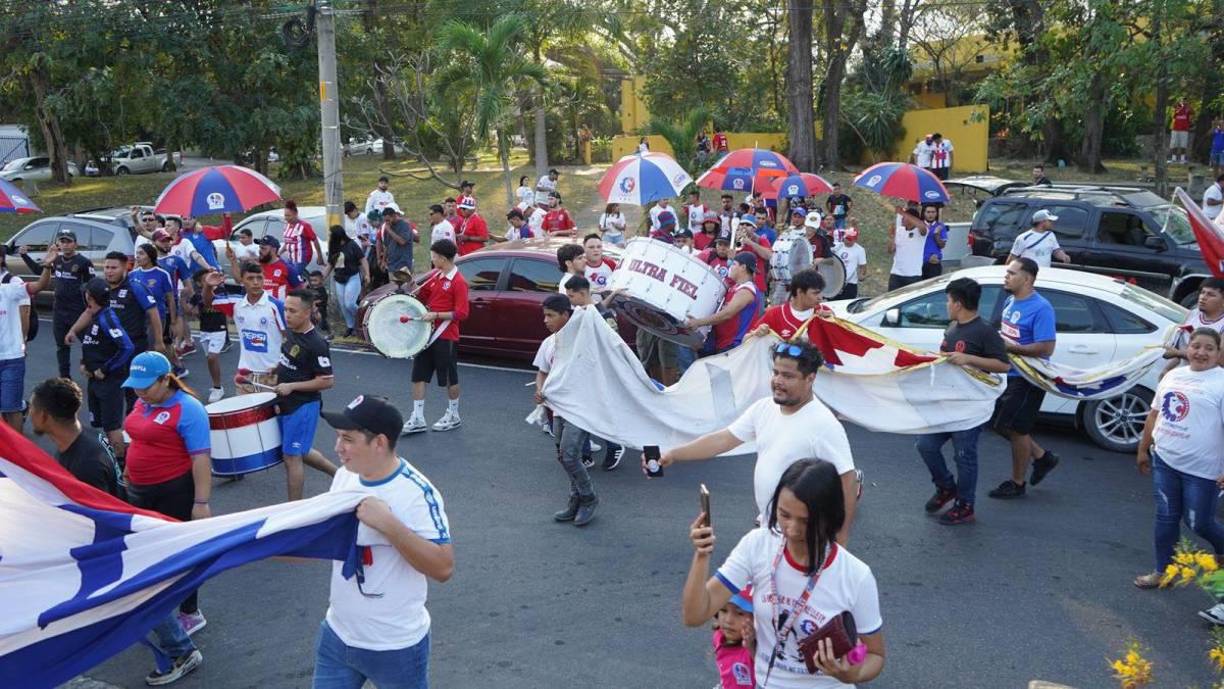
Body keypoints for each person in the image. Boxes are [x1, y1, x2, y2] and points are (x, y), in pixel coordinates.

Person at [30, 377, 201, 685]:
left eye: (32, 408)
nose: (28, 413)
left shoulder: (85, 463)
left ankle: (181, 650)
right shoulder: (83, 442)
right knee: (137, 597)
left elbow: (99, 516)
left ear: (44, 416)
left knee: (136, 597)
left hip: (111, 544)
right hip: (115, 539)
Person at [681, 459, 885, 688]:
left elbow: (875, 655)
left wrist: (852, 674)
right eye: (784, 515)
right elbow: (694, 615)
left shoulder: (856, 576)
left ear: (830, 518)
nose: (793, 529)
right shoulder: (757, 546)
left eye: (806, 521)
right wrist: (702, 555)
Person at [314, 394, 453, 689]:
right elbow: (326, 540)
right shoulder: (344, 477)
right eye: (338, 437)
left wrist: (389, 525)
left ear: (379, 442)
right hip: (337, 635)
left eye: (347, 439)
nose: (337, 447)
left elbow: (443, 567)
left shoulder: (417, 493)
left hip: (395, 647)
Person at [649, 341, 858, 537]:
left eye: (788, 376)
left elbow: (848, 483)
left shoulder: (824, 424)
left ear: (810, 378)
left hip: (804, 537)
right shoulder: (764, 408)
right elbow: (722, 440)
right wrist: (673, 454)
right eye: (775, 372)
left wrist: (840, 542)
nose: (778, 381)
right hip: (769, 529)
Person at [122, 351, 212, 636]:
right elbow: (138, 438)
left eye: (146, 386)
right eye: (135, 386)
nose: (139, 392)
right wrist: (128, 469)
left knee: (181, 553)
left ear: (165, 380)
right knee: (148, 550)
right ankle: (157, 607)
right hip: (139, 490)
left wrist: (201, 502)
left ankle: (190, 612)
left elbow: (201, 458)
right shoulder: (143, 402)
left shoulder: (189, 408)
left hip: (174, 491)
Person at [1134, 328, 1224, 597]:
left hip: (1203, 470)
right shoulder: (1173, 375)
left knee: (1199, 523)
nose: (1201, 352)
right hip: (1165, 461)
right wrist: (1143, 449)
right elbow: (1154, 415)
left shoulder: (1221, 383)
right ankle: (1163, 571)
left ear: (1218, 353)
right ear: (1188, 349)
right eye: (1196, 346)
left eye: (1209, 348)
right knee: (1166, 517)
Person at [915, 278, 1012, 525]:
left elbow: (1003, 365)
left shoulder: (985, 331)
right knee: (925, 445)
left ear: (958, 303)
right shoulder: (952, 327)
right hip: (947, 404)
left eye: (948, 300)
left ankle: (965, 505)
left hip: (971, 408)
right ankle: (946, 487)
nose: (946, 305)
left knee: (964, 456)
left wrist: (968, 358)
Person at [988, 258, 1061, 499]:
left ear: (1027, 278)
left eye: (1012, 273)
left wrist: (1010, 348)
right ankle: (1042, 457)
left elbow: (1046, 348)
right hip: (1009, 374)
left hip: (1028, 378)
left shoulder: (1042, 308)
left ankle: (1017, 483)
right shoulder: (1010, 301)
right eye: (1007, 272)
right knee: (1002, 425)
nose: (1006, 276)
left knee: (1014, 428)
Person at [534, 295, 600, 525]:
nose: (545, 320)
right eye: (544, 315)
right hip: (558, 408)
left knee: (570, 456)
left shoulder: (584, 341)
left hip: (581, 408)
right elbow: (542, 372)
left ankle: (589, 498)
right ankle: (576, 499)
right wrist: (540, 390)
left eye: (550, 315)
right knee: (564, 457)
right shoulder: (548, 343)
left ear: (565, 315)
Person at [272, 289, 340, 501]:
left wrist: (291, 386)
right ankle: (341, 475)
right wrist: (274, 370)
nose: (287, 315)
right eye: (286, 310)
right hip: (285, 402)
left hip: (302, 406)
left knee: (291, 456)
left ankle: (294, 509)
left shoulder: (317, 344)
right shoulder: (292, 332)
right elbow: (291, 362)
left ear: (308, 312)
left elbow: (327, 381)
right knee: (301, 450)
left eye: (292, 311)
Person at [403, 240, 469, 434]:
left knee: (449, 378)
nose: (432, 259)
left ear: (442, 258)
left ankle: (454, 414)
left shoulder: (459, 282)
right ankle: (418, 417)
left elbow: (462, 313)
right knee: (418, 375)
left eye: (433, 256)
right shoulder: (436, 276)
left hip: (446, 335)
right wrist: (410, 283)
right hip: (427, 335)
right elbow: (423, 296)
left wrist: (436, 315)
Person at [563, 277, 626, 471]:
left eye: (571, 296)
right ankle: (585, 454)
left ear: (582, 293)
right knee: (583, 412)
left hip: (600, 373)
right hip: (584, 372)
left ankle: (614, 446)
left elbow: (612, 346)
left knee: (600, 411)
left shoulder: (602, 316)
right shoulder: (585, 312)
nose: (570, 300)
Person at [19, 228, 95, 378]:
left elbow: (91, 285)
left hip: (78, 311)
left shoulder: (83, 262)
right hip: (60, 311)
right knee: (61, 347)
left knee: (88, 343)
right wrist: (24, 255)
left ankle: (91, 370)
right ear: (58, 244)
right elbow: (38, 271)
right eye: (62, 241)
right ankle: (65, 378)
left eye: (69, 242)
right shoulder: (56, 260)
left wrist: (91, 307)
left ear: (75, 244)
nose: (65, 245)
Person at [78, 278, 135, 463]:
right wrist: (85, 363)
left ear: (89, 297)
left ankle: (121, 463)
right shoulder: (95, 315)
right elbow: (94, 345)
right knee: (102, 423)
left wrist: (105, 369)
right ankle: (113, 458)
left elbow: (127, 347)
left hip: (109, 382)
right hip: (94, 380)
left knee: (112, 426)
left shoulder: (107, 318)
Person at [687, 253, 761, 355]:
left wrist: (698, 322)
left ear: (743, 267)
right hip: (723, 344)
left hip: (734, 347)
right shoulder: (735, 287)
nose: (730, 267)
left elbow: (727, 314)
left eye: (734, 264)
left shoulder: (746, 290)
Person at [233, 261, 287, 394]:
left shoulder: (276, 306)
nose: (256, 282)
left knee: (272, 408)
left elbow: (291, 338)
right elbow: (209, 302)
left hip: (271, 374)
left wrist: (281, 365)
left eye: (259, 278)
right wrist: (208, 286)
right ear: (242, 280)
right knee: (244, 408)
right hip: (245, 374)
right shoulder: (237, 305)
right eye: (250, 278)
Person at [132, 244, 185, 377]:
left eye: (141, 253)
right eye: (137, 253)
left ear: (150, 256)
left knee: (154, 347)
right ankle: (174, 367)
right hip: (138, 318)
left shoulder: (162, 274)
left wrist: (173, 322)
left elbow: (170, 299)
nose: (138, 256)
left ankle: (159, 375)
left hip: (157, 317)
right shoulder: (132, 275)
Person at [1163, 279, 1224, 376]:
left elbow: (1219, 359)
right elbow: (1181, 345)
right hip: (1183, 374)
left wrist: (1178, 353)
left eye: (1210, 295)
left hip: (1208, 378)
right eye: (1202, 292)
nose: (1203, 297)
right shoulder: (1193, 314)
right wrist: (1167, 369)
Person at [750, 269, 826, 341]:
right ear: (799, 292)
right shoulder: (774, 314)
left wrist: (830, 322)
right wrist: (757, 333)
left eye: (820, 292)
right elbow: (747, 339)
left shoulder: (825, 313)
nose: (820, 297)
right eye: (815, 293)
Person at [323, 226, 368, 338]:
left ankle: (364, 318)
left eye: (332, 234)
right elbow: (330, 264)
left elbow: (362, 259)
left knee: (350, 303)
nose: (330, 236)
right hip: (339, 278)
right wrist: (322, 277)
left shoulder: (352, 245)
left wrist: (367, 274)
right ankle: (350, 326)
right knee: (343, 305)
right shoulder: (333, 246)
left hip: (352, 276)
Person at [228, 235, 303, 302]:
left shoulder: (286, 268)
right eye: (260, 248)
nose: (260, 251)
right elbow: (239, 280)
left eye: (263, 248)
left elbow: (300, 290)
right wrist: (233, 260)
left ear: (273, 250)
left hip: (276, 310)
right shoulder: (255, 265)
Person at [0, 269, 30, 431]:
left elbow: (25, 312)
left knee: (11, 408)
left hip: (11, 355)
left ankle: (16, 445)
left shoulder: (13, 282)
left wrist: (23, 342)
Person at [195, 270, 231, 403]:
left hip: (219, 329)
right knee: (210, 360)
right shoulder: (198, 295)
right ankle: (217, 384)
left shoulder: (221, 292)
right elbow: (191, 311)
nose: (210, 281)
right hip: (204, 330)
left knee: (212, 357)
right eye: (205, 280)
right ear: (199, 283)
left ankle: (217, 388)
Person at [711, 587, 756, 689]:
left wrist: (751, 647)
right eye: (723, 610)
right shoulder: (718, 636)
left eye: (740, 613)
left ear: (756, 618)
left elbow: (765, 668)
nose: (728, 620)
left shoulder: (757, 647)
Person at [1006, 209, 1071, 267]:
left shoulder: (1050, 235)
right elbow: (1012, 257)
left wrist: (1063, 256)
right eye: (1050, 221)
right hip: (1030, 273)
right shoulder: (1023, 238)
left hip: (1045, 272)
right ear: (1042, 222)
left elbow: (1056, 250)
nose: (1052, 223)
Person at [887, 207, 926, 291]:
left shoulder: (920, 232)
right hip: (896, 274)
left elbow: (922, 227)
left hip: (913, 276)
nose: (902, 219)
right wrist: (892, 237)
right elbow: (890, 250)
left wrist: (902, 212)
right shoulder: (899, 230)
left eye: (904, 217)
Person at [280, 201, 323, 274]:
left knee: (293, 275)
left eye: (289, 216)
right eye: (285, 215)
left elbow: (315, 240)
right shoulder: (287, 226)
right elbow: (288, 242)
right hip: (291, 258)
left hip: (301, 258)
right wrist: (279, 253)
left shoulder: (304, 226)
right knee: (287, 275)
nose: (286, 218)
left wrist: (319, 256)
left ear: (296, 214)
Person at [379, 204, 417, 274]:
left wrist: (389, 230)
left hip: (403, 265)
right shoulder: (387, 226)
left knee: (404, 281)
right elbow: (386, 246)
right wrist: (383, 261)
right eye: (385, 221)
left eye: (388, 220)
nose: (386, 222)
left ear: (394, 216)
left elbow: (402, 241)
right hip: (392, 265)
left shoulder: (404, 225)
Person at [832, 229, 867, 300]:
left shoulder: (860, 250)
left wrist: (862, 274)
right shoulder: (837, 246)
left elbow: (863, 266)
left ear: (855, 240)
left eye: (850, 239)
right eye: (846, 238)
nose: (847, 241)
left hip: (850, 283)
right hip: (836, 281)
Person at [921, 205, 948, 279]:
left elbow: (942, 245)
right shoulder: (919, 225)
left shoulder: (940, 226)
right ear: (924, 213)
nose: (931, 214)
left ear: (936, 213)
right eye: (928, 212)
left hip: (934, 262)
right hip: (919, 262)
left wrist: (936, 234)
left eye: (933, 212)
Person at [307, 270, 332, 338]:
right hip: (312, 310)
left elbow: (322, 300)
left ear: (321, 280)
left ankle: (328, 334)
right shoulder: (309, 288)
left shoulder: (322, 290)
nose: (313, 283)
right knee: (314, 323)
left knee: (322, 323)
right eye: (311, 281)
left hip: (321, 310)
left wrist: (313, 302)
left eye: (315, 280)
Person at [1170, 98, 1193, 164]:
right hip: (1175, 129)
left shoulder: (1187, 108)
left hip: (1184, 129)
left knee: (1183, 144)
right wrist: (1179, 106)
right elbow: (1173, 115)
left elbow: (1192, 112)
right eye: (1182, 101)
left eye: (1185, 101)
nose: (1183, 102)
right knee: (1174, 144)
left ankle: (1182, 159)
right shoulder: (1176, 108)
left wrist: (1188, 105)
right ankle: (1173, 159)